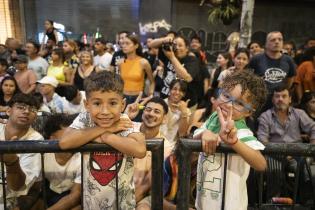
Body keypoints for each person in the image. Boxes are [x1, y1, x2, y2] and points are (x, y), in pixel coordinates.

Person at [59, 71, 146, 210]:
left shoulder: (123, 120)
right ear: (87, 105)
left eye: (112, 103)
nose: (105, 111)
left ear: (122, 105)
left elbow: (140, 150)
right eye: (97, 103)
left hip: (123, 206)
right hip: (90, 205)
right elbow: (64, 142)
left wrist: (106, 137)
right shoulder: (85, 118)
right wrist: (102, 130)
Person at [193, 70, 267, 210]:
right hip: (204, 201)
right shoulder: (214, 118)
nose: (228, 104)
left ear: (249, 112)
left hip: (230, 205)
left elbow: (261, 164)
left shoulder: (242, 131)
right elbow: (196, 134)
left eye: (239, 103)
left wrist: (234, 143)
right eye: (226, 95)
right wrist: (205, 133)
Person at [124, 96, 169, 210]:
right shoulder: (128, 126)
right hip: (116, 185)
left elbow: (145, 186)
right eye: (148, 109)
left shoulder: (166, 146)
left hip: (141, 193)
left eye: (157, 111)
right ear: (143, 112)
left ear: (164, 119)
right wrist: (126, 116)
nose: (151, 114)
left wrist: (125, 204)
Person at [0, 93, 43, 210]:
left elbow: (17, 186)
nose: (27, 111)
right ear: (8, 111)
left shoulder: (36, 140)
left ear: (36, 116)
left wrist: (11, 162)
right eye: (20, 107)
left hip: (9, 203)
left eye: (32, 109)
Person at [148, 34, 201, 109]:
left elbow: (187, 78)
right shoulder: (169, 53)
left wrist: (172, 57)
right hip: (166, 99)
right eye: (175, 45)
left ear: (187, 48)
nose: (177, 48)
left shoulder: (191, 60)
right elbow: (151, 44)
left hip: (185, 104)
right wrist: (164, 40)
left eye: (180, 45)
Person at [249, 31, 296, 111]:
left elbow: (290, 81)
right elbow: (248, 80)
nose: (277, 42)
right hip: (261, 103)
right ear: (266, 44)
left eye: (280, 39)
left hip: (280, 102)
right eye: (273, 40)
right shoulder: (256, 59)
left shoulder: (288, 60)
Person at [43, 114, 81, 210]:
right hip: (49, 193)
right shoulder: (43, 154)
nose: (72, 137)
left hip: (73, 196)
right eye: (67, 134)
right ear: (52, 138)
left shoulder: (81, 156)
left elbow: (75, 196)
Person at [119, 34, 154, 105]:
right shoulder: (121, 62)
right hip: (123, 97)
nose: (124, 46)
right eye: (123, 43)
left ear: (136, 46)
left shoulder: (143, 62)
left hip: (138, 98)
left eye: (127, 43)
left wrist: (150, 95)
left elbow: (152, 82)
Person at [160, 79, 191, 152]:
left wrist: (183, 112)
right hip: (158, 141)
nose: (177, 92)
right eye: (174, 89)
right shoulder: (161, 104)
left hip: (173, 147)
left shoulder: (186, 111)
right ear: (169, 90)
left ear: (184, 94)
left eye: (181, 91)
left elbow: (182, 133)